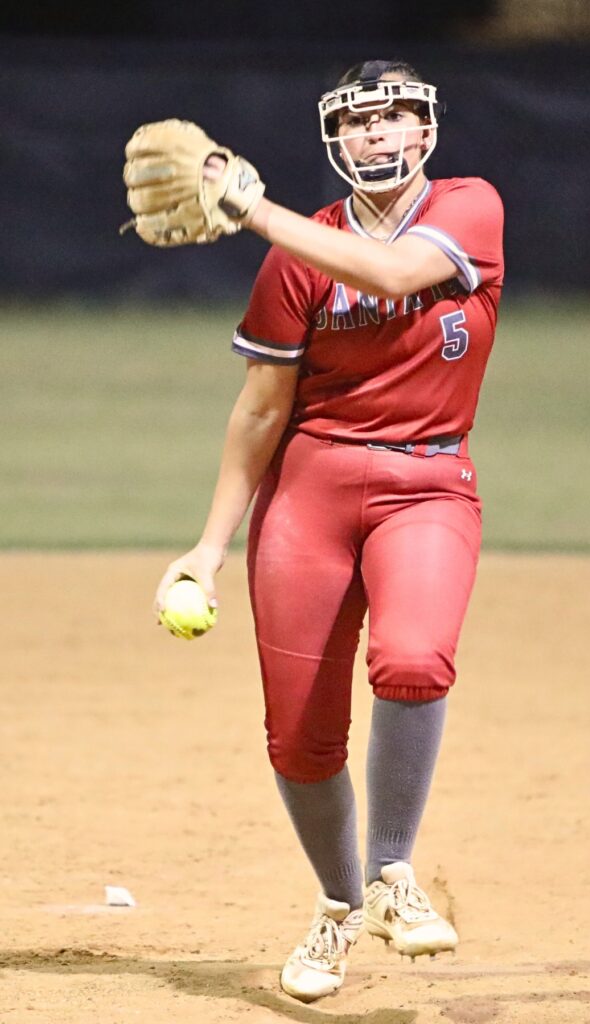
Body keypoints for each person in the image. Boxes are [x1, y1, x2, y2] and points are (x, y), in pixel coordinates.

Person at [153, 59, 504, 1003]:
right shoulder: (297, 255)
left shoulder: (470, 207)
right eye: (360, 122)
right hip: (309, 493)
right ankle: (338, 908)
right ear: (335, 140)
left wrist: (254, 209)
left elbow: (391, 268)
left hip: (427, 483)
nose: (379, 134)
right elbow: (263, 409)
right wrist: (208, 546)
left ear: (425, 132)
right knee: (299, 741)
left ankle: (393, 875)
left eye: (395, 117)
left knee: (414, 658)